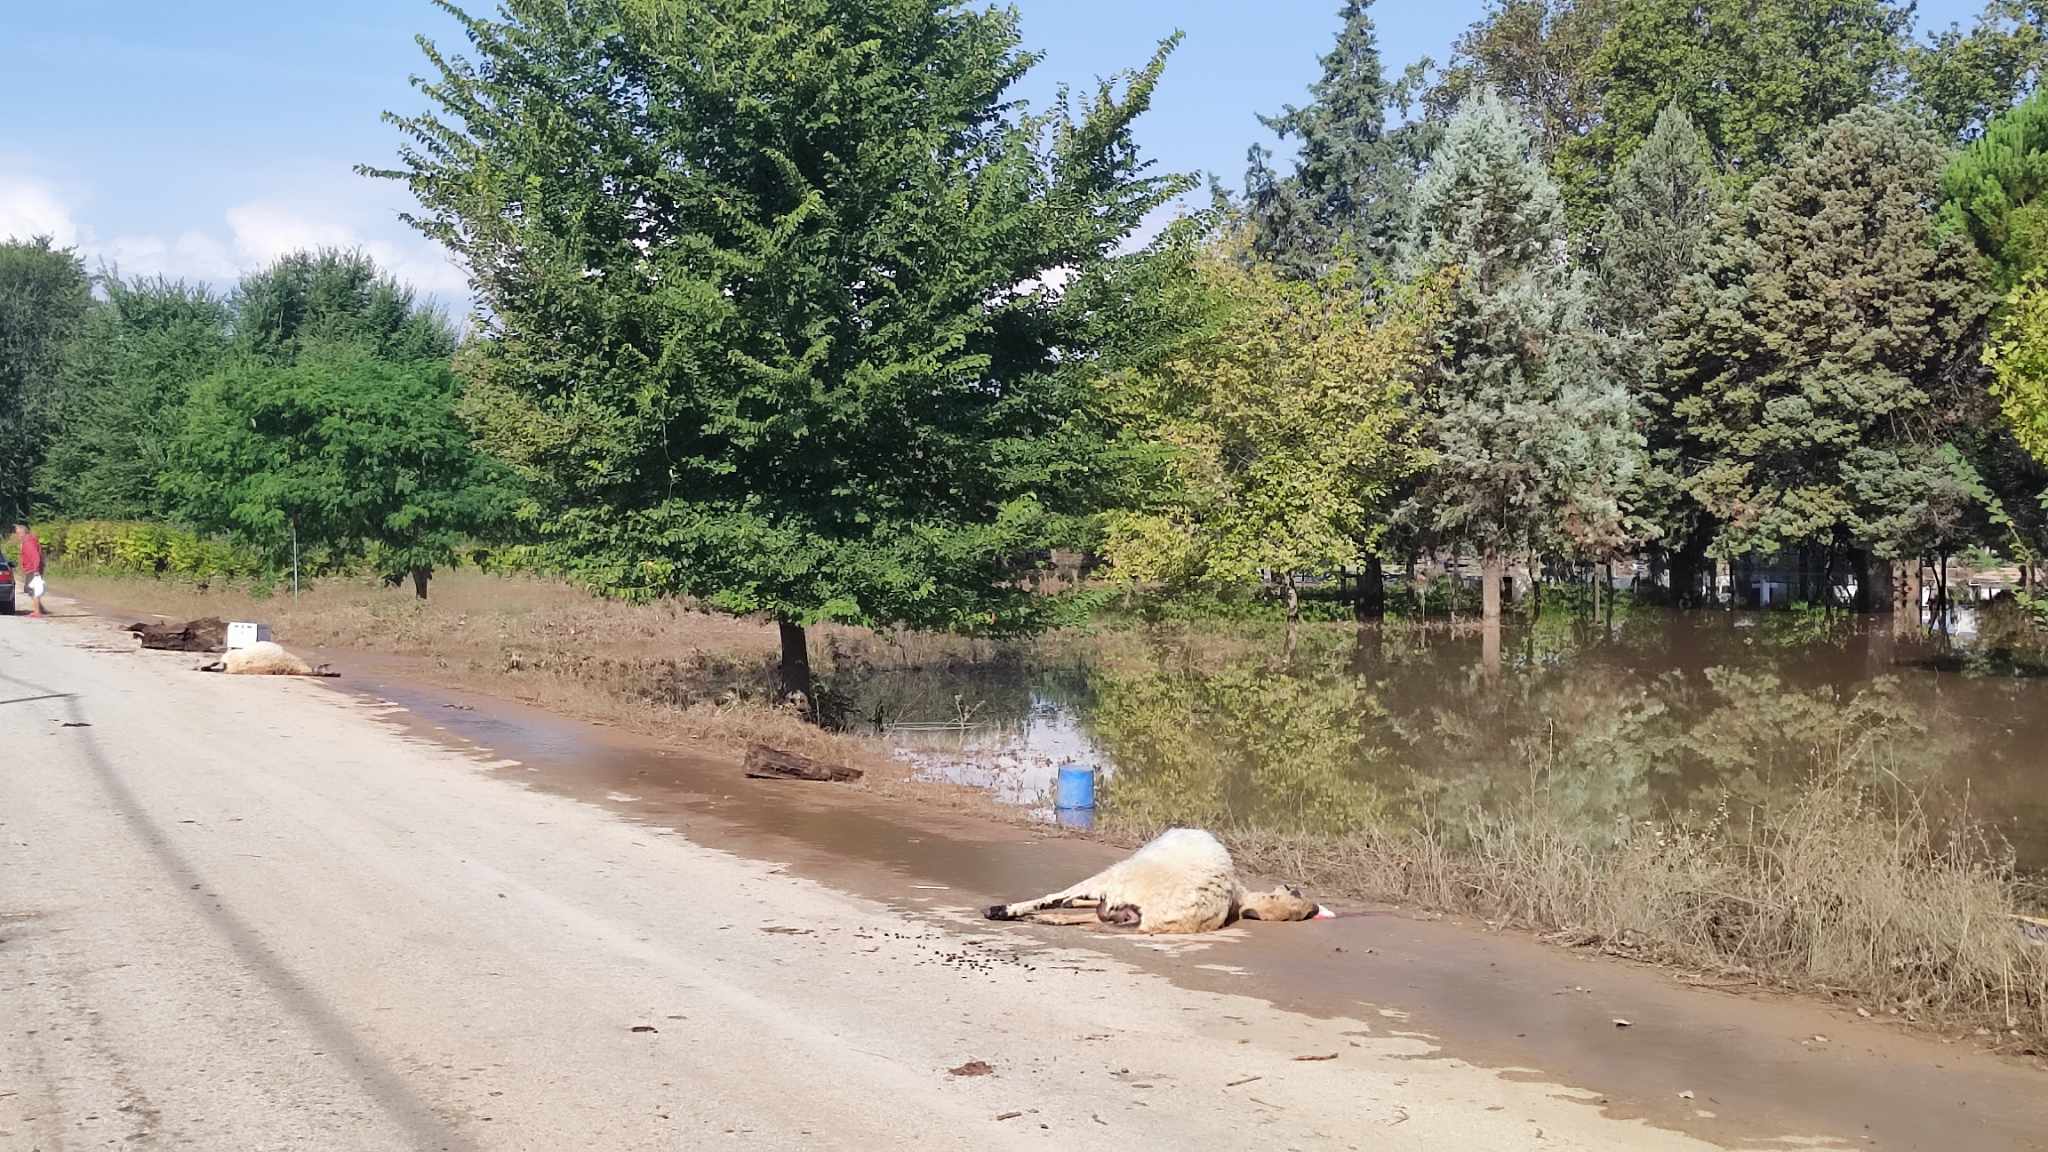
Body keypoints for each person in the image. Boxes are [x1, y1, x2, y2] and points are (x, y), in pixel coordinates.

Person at [15, 522, 44, 617]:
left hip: (33, 569)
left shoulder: (28, 542)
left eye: (18, 533)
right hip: (33, 569)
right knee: (31, 589)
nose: (17, 535)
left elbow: (35, 556)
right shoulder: (29, 540)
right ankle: (38, 609)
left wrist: (36, 570)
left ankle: (37, 612)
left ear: (23, 532)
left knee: (33, 590)